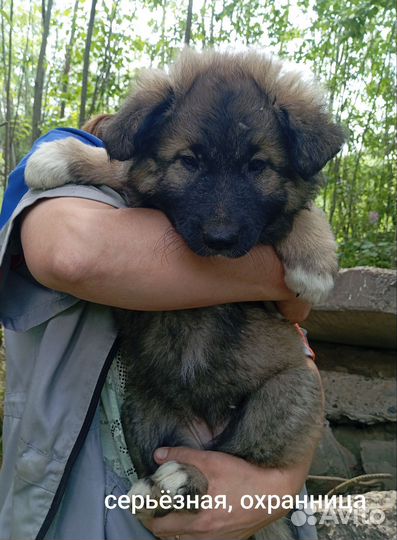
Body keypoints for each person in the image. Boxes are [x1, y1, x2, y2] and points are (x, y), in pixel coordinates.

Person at [0, 125, 320, 540]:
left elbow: (297, 347)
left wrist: (280, 484)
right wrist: (280, 267)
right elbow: (73, 254)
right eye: (187, 160)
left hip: (242, 473)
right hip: (81, 502)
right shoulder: (66, 149)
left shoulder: (236, 184)